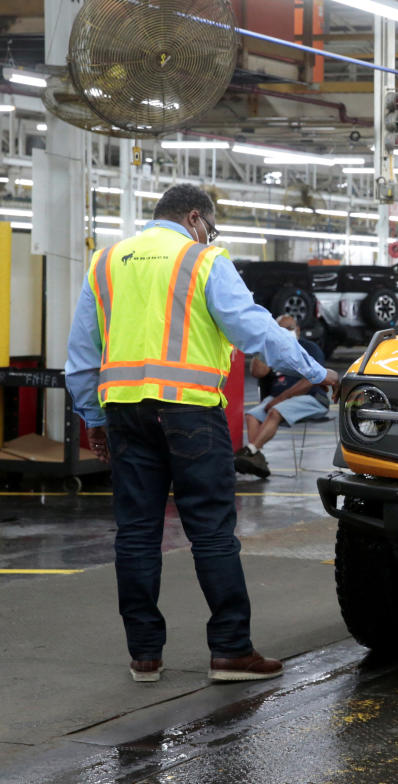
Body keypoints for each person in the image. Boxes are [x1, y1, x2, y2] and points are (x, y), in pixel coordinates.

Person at [65, 184, 339, 683]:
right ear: (195, 218)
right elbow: (256, 330)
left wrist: (95, 419)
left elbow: (81, 359)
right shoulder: (202, 260)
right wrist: (319, 373)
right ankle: (231, 652)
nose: (211, 235)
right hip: (190, 413)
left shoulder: (105, 263)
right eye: (210, 226)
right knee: (211, 532)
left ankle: (144, 656)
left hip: (125, 413)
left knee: (137, 534)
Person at [235, 314, 329, 479]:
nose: (286, 332)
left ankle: (251, 451)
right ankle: (256, 458)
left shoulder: (310, 348)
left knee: (275, 412)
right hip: (278, 400)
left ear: (298, 330)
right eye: (281, 329)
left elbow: (314, 379)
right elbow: (258, 372)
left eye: (289, 329)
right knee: (251, 416)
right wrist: (262, 346)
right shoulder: (274, 352)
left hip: (310, 398)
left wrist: (283, 397)